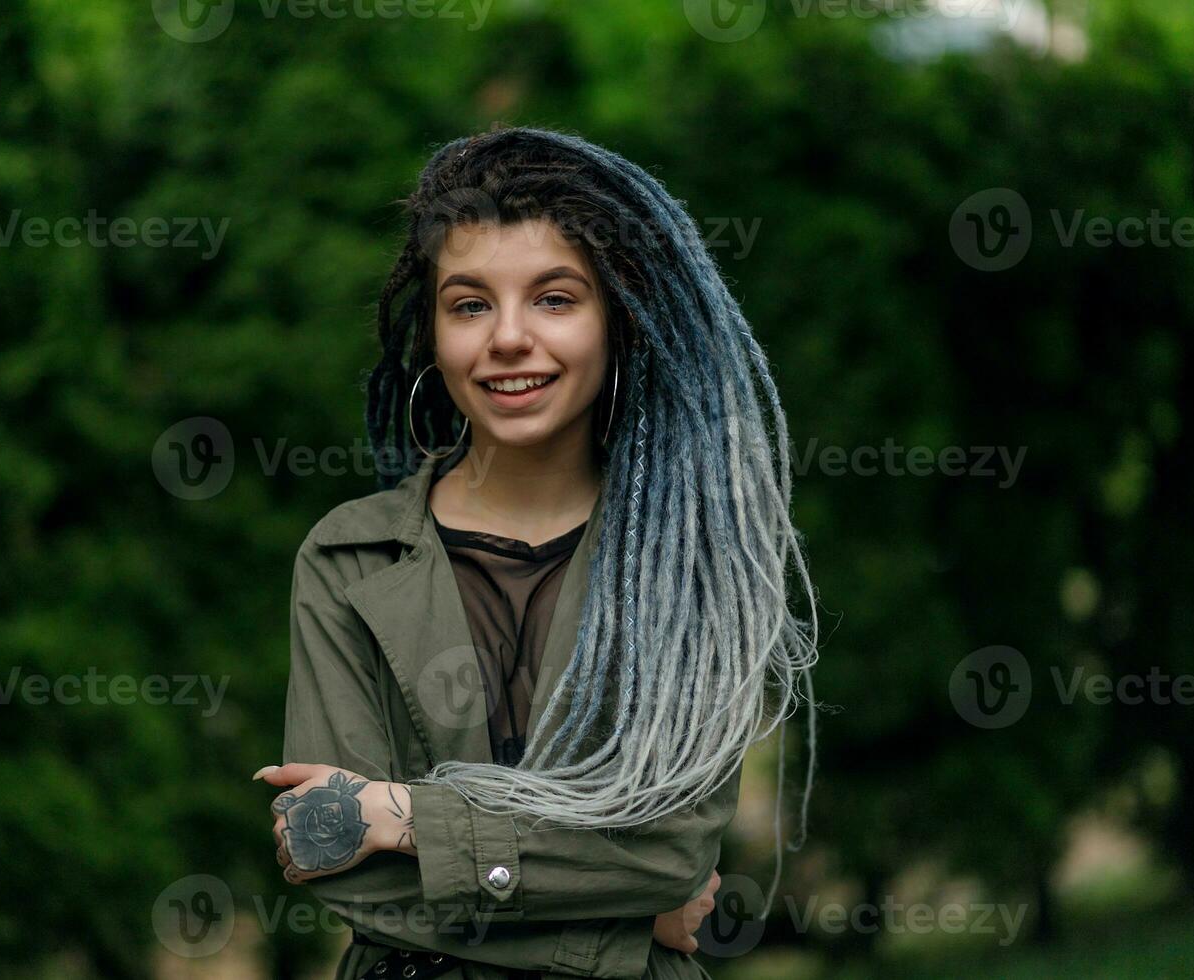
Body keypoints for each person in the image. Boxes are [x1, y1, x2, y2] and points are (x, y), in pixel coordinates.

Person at [255, 126, 818, 980]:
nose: (508, 338)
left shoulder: (693, 560)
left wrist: (398, 815)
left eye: (555, 298)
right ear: (435, 332)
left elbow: (669, 852)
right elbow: (349, 879)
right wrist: (623, 931)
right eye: (470, 304)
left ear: (619, 319)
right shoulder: (347, 558)